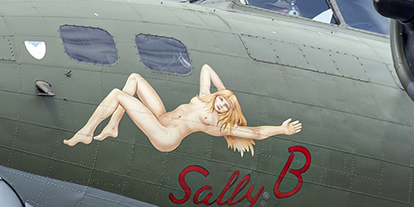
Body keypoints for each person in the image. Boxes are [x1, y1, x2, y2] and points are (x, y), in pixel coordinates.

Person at [64, 64, 300, 155]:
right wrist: (226, 91)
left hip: (166, 136)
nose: (220, 104)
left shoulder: (220, 125)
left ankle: (87, 132)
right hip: (160, 118)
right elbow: (207, 68)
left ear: (228, 111)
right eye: (221, 100)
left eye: (225, 105)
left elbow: (255, 133)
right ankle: (113, 125)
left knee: (117, 94)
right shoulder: (204, 98)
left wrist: (282, 130)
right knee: (134, 78)